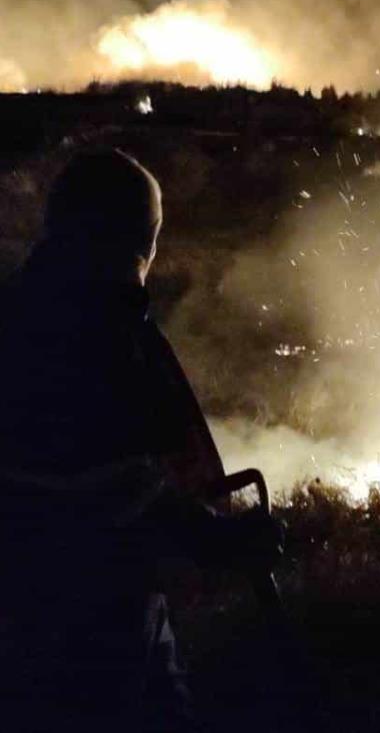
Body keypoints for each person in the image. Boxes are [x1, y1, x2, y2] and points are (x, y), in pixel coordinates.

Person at [0, 148, 283, 730]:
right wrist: (218, 539)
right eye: (149, 236)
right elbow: (105, 483)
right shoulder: (94, 331)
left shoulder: (27, 305)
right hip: (91, 609)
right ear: (134, 238)